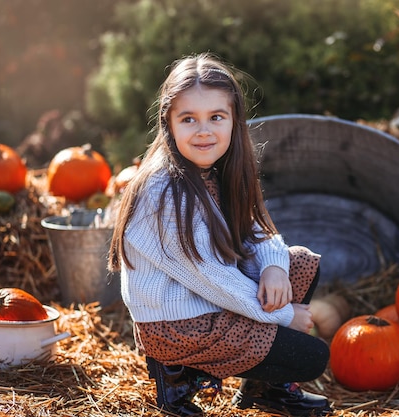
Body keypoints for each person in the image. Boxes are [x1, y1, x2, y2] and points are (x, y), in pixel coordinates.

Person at [107, 53, 331, 416]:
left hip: (215, 298)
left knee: (299, 263)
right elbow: (210, 277)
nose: (204, 130)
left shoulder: (221, 167)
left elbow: (258, 228)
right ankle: (179, 375)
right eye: (188, 119)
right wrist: (283, 316)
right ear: (169, 123)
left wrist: (275, 267)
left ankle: (265, 390)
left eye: (216, 117)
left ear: (233, 120)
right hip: (178, 322)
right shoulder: (163, 191)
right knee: (311, 357)